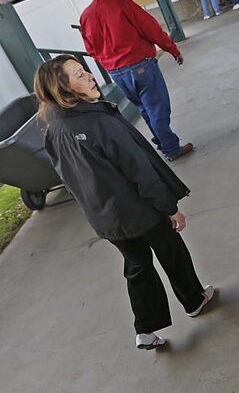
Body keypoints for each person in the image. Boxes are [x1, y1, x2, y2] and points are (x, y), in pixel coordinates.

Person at [34, 55, 215, 350]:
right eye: (80, 75)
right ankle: (195, 301)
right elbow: (139, 169)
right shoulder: (98, 121)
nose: (91, 77)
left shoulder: (53, 128)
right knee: (172, 253)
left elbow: (69, 178)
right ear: (62, 90)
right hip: (141, 211)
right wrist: (169, 208)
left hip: (107, 218)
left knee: (137, 267)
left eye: (86, 71)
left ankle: (145, 331)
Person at [80, 0, 193, 162]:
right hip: (140, 67)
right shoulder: (123, 5)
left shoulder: (86, 16)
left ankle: (162, 143)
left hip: (116, 73)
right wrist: (173, 49)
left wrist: (110, 62)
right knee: (157, 108)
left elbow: (91, 50)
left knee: (144, 108)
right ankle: (171, 148)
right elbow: (153, 31)